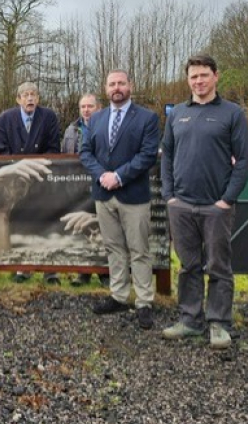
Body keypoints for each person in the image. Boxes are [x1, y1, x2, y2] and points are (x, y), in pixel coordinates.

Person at [160, 54, 248, 349]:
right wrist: (170, 196)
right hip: (182, 205)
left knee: (218, 266)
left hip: (216, 207)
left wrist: (227, 200)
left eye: (203, 75)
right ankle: (190, 320)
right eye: (193, 76)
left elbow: (244, 161)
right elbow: (168, 156)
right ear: (187, 80)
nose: (198, 81)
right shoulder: (176, 114)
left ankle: (219, 324)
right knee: (188, 266)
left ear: (216, 76)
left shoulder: (232, 113)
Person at [80, 70, 160, 330]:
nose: (117, 87)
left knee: (139, 250)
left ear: (130, 86)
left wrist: (119, 176)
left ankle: (144, 301)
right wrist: (102, 174)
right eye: (112, 83)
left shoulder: (147, 118)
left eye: (121, 83)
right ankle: (119, 295)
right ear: (106, 88)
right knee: (114, 248)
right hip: (103, 194)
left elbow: (148, 155)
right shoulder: (96, 118)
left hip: (133, 195)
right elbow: (85, 152)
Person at [0, 81, 61, 284]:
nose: (30, 98)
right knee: (21, 224)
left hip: (41, 180)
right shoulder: (5, 119)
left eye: (33, 94)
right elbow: (2, 150)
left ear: (38, 99)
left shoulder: (48, 117)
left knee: (46, 224)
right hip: (17, 182)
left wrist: (36, 167)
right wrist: (18, 169)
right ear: (18, 99)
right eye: (25, 94)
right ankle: (23, 269)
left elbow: (53, 148)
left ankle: (50, 271)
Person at [62, 93, 110, 287]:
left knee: (104, 230)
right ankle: (83, 273)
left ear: (99, 107)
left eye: (90, 106)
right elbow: (64, 156)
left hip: (101, 184)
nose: (86, 110)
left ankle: (105, 273)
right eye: (83, 107)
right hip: (77, 189)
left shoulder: (107, 126)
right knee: (83, 231)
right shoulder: (71, 130)